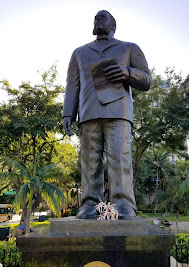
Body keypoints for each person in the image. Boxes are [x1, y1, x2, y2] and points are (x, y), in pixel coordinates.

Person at [63, 10, 152, 220]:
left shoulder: (129, 48)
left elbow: (147, 80)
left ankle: (122, 203)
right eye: (96, 17)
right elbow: (72, 84)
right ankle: (89, 204)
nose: (98, 19)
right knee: (89, 161)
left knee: (119, 159)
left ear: (114, 25)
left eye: (103, 17)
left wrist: (127, 73)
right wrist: (68, 113)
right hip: (88, 112)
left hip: (118, 112)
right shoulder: (80, 52)